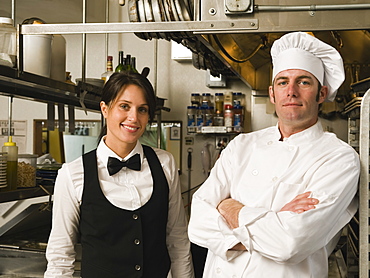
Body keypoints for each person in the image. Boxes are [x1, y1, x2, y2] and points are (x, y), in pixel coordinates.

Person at [188, 31, 360, 277]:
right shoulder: (241, 145)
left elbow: (290, 243)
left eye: (303, 81)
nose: (291, 91)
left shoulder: (339, 159)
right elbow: (197, 224)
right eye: (282, 82)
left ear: (321, 94)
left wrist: (229, 208)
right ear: (272, 94)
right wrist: (274, 220)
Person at [45, 71, 194, 278]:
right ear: (105, 109)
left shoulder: (164, 163)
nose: (133, 117)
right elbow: (60, 256)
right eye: (124, 106)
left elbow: (178, 240)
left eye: (142, 109)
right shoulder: (73, 174)